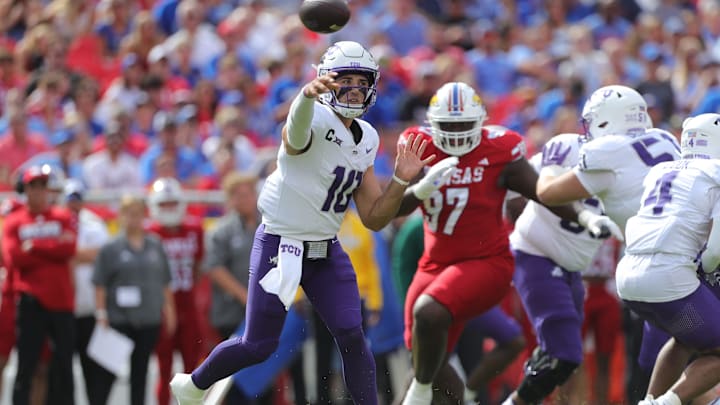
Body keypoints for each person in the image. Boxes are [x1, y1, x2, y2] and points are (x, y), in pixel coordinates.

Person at [170, 40, 437, 405]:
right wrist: (304, 98)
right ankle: (195, 385)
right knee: (258, 344)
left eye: (363, 81)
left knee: (352, 335)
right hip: (283, 245)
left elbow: (375, 216)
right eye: (348, 80)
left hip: (325, 248)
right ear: (326, 81)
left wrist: (402, 180)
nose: (356, 89)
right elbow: (294, 138)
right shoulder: (311, 115)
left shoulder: (368, 137)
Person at [393, 82, 621, 405]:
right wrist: (417, 190)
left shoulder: (500, 149)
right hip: (434, 263)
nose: (457, 133)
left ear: (481, 123)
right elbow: (393, 210)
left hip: (486, 261)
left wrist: (584, 217)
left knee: (428, 316)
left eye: (464, 125)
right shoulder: (420, 146)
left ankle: (417, 394)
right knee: (430, 359)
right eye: (449, 126)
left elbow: (541, 192)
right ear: (432, 125)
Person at [535, 85, 681, 404]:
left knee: (674, 358)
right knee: (680, 356)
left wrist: (551, 164)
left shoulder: (606, 152)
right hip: (685, 263)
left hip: (653, 273)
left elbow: (547, 193)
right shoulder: (665, 138)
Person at [615, 113, 720, 405]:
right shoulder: (716, 172)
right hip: (668, 277)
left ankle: (650, 401)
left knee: (685, 339)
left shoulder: (661, 170)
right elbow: (714, 253)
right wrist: (704, 271)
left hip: (628, 277)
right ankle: (664, 404)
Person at [501, 132, 613, 405]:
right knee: (564, 354)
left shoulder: (622, 164)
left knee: (560, 355)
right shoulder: (567, 150)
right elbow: (511, 186)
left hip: (571, 266)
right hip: (537, 252)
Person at [1, 165, 77, 405]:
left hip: (61, 301)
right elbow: (15, 257)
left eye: (43, 186)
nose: (38, 191)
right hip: (31, 301)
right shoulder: (14, 220)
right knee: (26, 365)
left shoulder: (63, 216)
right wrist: (52, 246)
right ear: (26, 189)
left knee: (64, 365)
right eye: (33, 186)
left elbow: (69, 248)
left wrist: (35, 245)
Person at [92, 195, 177, 405]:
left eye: (138, 214)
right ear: (121, 216)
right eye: (129, 214)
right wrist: (101, 314)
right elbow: (100, 283)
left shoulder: (155, 245)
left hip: (148, 317)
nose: (134, 219)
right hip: (119, 318)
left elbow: (164, 281)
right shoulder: (111, 248)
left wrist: (170, 310)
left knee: (140, 373)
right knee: (107, 373)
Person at [146, 177, 204, 405]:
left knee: (193, 369)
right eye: (163, 204)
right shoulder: (150, 233)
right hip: (162, 309)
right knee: (164, 368)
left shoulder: (194, 230)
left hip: (188, 306)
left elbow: (198, 267)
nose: (169, 209)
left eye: (172, 203)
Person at [64, 179, 112, 405]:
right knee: (62, 374)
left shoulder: (93, 223)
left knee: (94, 374)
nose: (73, 205)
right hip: (63, 310)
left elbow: (102, 254)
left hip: (90, 310)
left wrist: (67, 254)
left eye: (76, 199)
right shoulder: (57, 221)